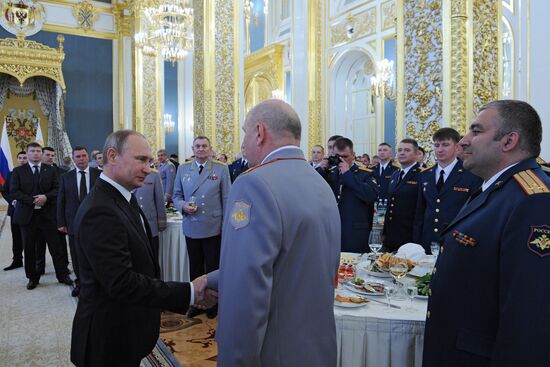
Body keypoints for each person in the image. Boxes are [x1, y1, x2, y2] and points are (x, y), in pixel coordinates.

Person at [205, 99, 340, 367]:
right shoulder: (319, 182)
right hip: (315, 347)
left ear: (259, 132)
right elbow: (296, 263)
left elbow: (247, 288)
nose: (244, 142)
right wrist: (211, 280)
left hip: (275, 352)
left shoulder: (253, 184)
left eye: (245, 132)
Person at [70, 130, 213, 367]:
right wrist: (188, 292)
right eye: (141, 160)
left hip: (125, 331)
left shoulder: (122, 196)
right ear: (113, 156)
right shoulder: (100, 210)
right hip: (107, 340)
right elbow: (121, 282)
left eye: (150, 161)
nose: (149, 168)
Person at [423, 100, 550, 366]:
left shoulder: (534, 200)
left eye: (476, 131)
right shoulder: (496, 189)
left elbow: (528, 315)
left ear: (508, 141)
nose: (464, 141)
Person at [172, 136, 231, 318]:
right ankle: (197, 302)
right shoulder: (183, 169)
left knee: (213, 268)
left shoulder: (221, 169)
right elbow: (176, 195)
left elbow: (227, 199)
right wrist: (183, 206)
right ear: (193, 148)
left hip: (213, 227)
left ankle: (214, 303)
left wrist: (226, 226)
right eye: (197, 146)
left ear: (210, 148)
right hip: (192, 225)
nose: (201, 149)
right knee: (195, 267)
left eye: (204, 146)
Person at [10, 142, 72, 289]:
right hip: (27, 216)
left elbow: (57, 189)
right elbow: (14, 191)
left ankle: (62, 275)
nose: (36, 153)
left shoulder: (50, 170)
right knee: (30, 248)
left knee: (55, 247)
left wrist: (45, 196)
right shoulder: (18, 171)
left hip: (48, 215)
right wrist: (32, 200)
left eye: (38, 151)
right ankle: (32, 278)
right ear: (28, 152)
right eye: (33, 151)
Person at [413, 128, 482, 253]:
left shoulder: (471, 175)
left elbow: (475, 215)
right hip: (427, 240)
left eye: (445, 145)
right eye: (436, 145)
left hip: (456, 240)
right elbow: (420, 212)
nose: (440, 149)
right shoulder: (425, 175)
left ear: (457, 148)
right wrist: (417, 242)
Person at [57, 147, 101, 297]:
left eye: (83, 156)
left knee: (96, 253)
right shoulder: (65, 177)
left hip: (96, 223)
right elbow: (61, 201)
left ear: (88, 157)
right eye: (78, 156)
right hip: (73, 223)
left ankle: (98, 284)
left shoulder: (99, 175)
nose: (81, 159)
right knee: (76, 255)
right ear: (73, 159)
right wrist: (61, 222)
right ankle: (81, 284)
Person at [322, 137, 378, 253]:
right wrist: (322, 169)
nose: (341, 160)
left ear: (353, 155)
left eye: (345, 157)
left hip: (355, 234)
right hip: (332, 232)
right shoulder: (330, 173)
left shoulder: (365, 174)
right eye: (338, 157)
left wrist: (347, 174)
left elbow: (370, 196)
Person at [382, 139, 421, 252]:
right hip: (391, 237)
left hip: (409, 237)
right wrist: (385, 233)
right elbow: (390, 205)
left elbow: (420, 210)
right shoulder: (395, 175)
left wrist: (417, 239)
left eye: (407, 150)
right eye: (399, 150)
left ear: (416, 153)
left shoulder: (422, 175)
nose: (402, 153)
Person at [36, 146, 69, 276]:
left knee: (59, 244)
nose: (50, 157)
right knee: (38, 244)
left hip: (55, 213)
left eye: (52, 155)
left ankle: (63, 268)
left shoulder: (61, 171)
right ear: (41, 155)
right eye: (47, 155)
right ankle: (39, 268)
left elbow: (63, 192)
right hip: (36, 214)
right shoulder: (31, 171)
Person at [2, 151, 27, 271]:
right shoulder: (11, 174)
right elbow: (5, 191)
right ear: (17, 159)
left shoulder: (33, 173)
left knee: (31, 237)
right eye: (20, 158)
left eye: (24, 158)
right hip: (15, 210)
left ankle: (36, 261)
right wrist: (13, 201)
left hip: (29, 211)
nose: (22, 160)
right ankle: (17, 260)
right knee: (16, 237)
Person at [133, 169, 167, 256]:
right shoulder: (123, 172)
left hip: (150, 224)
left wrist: (162, 222)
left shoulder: (153, 175)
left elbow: (159, 199)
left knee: (153, 257)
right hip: (132, 225)